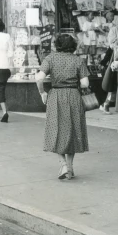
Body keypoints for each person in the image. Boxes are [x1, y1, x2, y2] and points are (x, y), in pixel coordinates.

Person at [35, 34, 90, 180]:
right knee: (73, 130)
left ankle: (63, 164)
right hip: (73, 96)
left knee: (55, 129)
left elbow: (39, 78)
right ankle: (70, 167)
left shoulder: (50, 58)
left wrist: (42, 93)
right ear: (73, 45)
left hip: (56, 95)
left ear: (57, 45)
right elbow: (85, 84)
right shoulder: (78, 60)